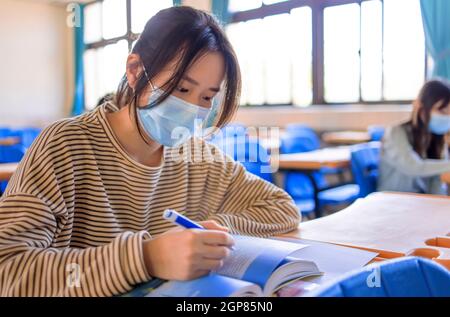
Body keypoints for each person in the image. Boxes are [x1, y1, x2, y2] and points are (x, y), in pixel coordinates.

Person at [0, 6, 300, 296]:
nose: (193, 108)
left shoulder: (194, 153)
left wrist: (215, 231)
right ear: (134, 71)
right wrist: (145, 258)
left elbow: (282, 207)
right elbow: (8, 272)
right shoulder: (65, 146)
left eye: (208, 97)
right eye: (182, 89)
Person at [378, 79, 450, 195]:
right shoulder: (395, 132)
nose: (447, 117)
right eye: (442, 110)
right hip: (393, 202)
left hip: (420, 202)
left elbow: (436, 180)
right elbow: (412, 167)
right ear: (421, 107)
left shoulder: (437, 138)